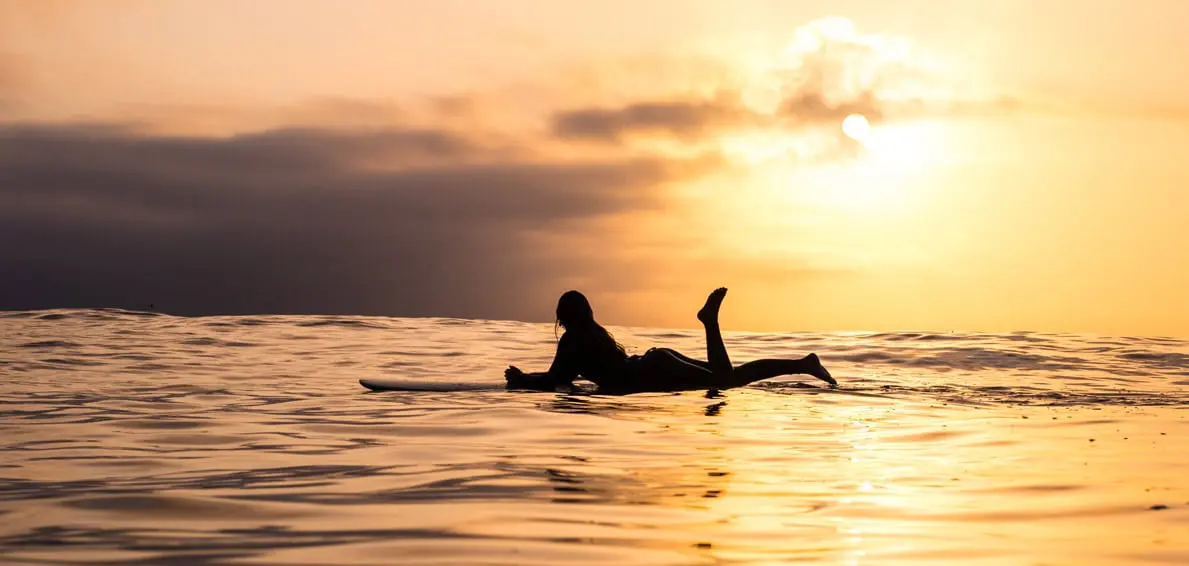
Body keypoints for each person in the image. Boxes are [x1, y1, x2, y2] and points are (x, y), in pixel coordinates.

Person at [504, 288, 835, 394]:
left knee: (725, 380)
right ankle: (803, 364)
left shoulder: (572, 342)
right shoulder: (594, 334)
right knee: (733, 376)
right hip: (654, 360)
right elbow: (562, 379)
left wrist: (521, 380)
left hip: (650, 373)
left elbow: (555, 380)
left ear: (563, 317)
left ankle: (710, 323)